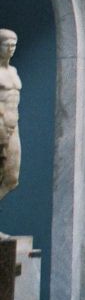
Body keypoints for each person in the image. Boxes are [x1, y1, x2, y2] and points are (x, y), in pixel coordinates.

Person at [0, 29, 22, 202]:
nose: (11, 49)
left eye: (13, 45)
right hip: (0, 123)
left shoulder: (13, 70)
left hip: (13, 124)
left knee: (12, 177)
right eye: (7, 45)